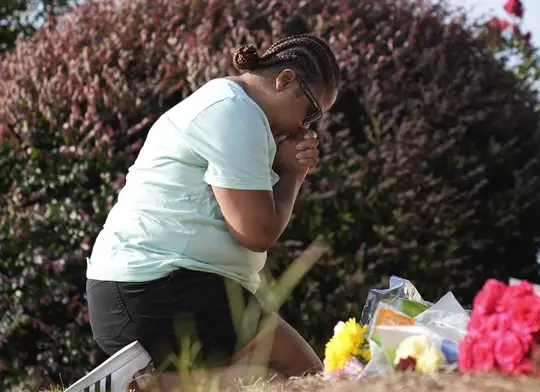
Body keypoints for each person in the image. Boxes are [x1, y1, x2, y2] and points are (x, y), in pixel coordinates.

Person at [65, 34, 341, 392]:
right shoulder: (236, 112)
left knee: (275, 378)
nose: (306, 127)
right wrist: (293, 175)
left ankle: (145, 386)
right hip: (156, 286)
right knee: (304, 374)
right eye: (311, 112)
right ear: (285, 80)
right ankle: (143, 388)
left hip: (143, 289)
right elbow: (257, 233)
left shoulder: (229, 106)